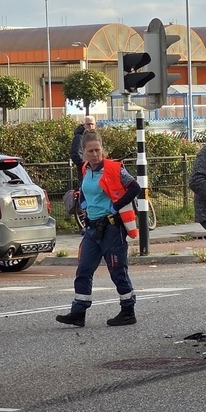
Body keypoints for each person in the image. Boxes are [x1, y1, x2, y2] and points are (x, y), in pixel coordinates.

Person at [56, 130, 141, 328]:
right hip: (92, 229)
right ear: (84, 153)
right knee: (84, 269)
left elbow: (134, 188)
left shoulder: (114, 168)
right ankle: (78, 312)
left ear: (103, 149)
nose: (95, 154)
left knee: (117, 269)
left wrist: (116, 206)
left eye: (97, 150)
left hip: (112, 228)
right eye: (90, 151)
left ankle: (128, 310)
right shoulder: (86, 169)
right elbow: (85, 190)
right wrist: (84, 205)